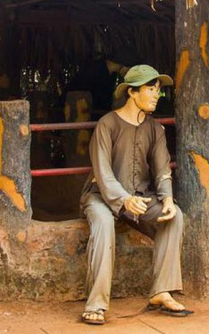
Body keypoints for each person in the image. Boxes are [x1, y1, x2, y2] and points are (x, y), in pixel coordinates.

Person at [79, 65, 191, 325]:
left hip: (139, 198)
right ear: (132, 92)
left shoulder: (155, 129)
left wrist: (167, 199)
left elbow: (163, 170)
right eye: (151, 89)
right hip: (100, 196)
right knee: (105, 223)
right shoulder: (107, 124)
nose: (156, 95)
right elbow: (103, 172)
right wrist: (123, 199)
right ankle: (96, 304)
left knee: (175, 217)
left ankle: (161, 291)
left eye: (158, 90)